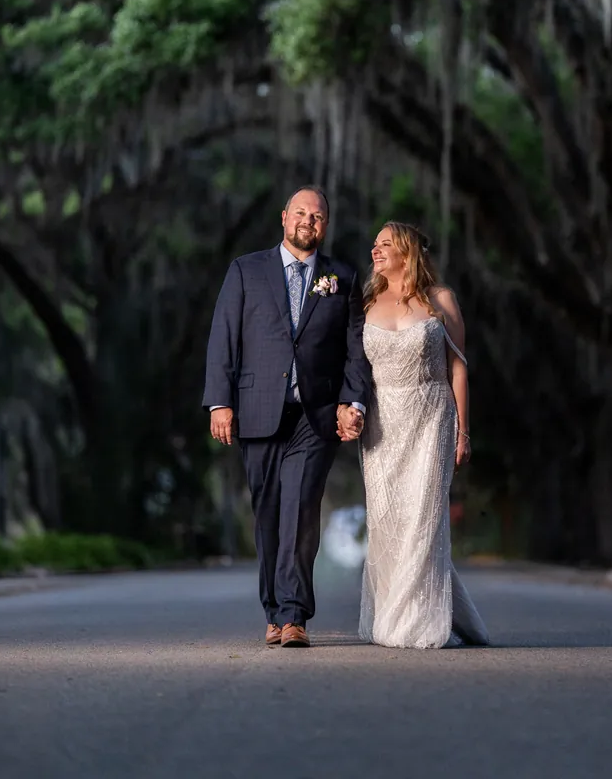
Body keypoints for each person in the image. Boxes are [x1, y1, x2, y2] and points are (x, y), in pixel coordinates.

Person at [203, 186, 370, 648]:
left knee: (301, 513)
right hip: (257, 411)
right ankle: (273, 611)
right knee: (269, 514)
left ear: (325, 225)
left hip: (314, 419)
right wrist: (220, 402)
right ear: (283, 218)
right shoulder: (246, 270)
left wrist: (351, 401)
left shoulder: (343, 277)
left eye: (317, 216)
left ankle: (295, 615)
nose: (308, 222)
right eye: (301, 213)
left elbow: (356, 352)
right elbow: (224, 337)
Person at [351, 221, 489, 649]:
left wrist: (463, 431)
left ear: (407, 251)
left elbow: (458, 368)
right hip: (381, 425)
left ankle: (418, 622)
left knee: (423, 522)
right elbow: (355, 370)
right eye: (374, 244)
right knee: (389, 522)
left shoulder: (441, 300)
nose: (376, 251)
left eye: (385, 244)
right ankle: (405, 610)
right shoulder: (367, 301)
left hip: (431, 418)